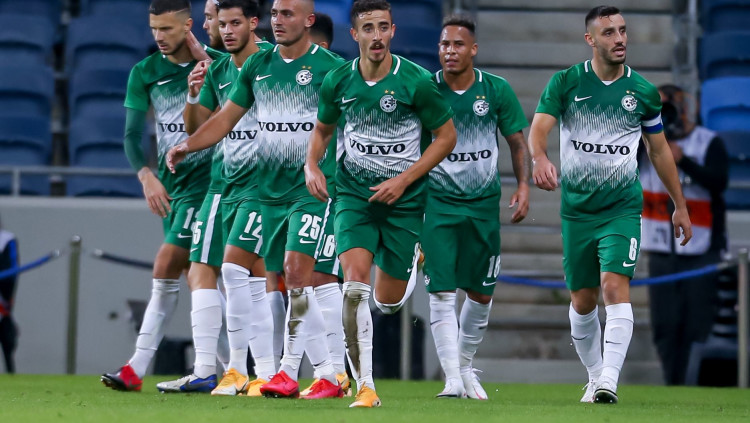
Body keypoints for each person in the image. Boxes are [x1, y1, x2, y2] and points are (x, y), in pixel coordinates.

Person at [166, 0, 346, 400]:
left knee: (297, 276)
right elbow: (225, 119)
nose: (278, 21)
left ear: (309, 21)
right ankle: (316, 372)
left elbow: (349, 124)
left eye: (287, 14)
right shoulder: (258, 67)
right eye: (275, 14)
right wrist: (187, 146)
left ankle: (294, 372)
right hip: (268, 193)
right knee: (242, 270)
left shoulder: (331, 69)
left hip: (311, 192)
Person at [528, 5, 692, 404]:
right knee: (583, 302)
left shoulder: (643, 92)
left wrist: (680, 204)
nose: (619, 39)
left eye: (622, 30)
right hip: (577, 212)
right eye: (609, 33)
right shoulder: (566, 82)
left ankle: (609, 381)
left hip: (621, 209)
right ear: (590, 39)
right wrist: (540, 158)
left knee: (613, 286)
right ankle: (594, 376)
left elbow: (659, 151)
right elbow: (539, 129)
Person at [305, 0, 457, 408]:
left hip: (404, 202)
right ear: (354, 34)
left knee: (386, 302)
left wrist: (403, 180)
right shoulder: (338, 81)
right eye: (368, 28)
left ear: (393, 31)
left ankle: (411, 259)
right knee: (354, 285)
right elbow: (322, 130)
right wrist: (311, 165)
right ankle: (366, 386)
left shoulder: (416, 81)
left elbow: (446, 137)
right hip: (354, 196)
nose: (377, 35)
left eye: (383, 27)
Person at [155, 0, 275, 395]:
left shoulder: (272, 63)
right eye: (220, 23)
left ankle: (265, 370)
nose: (226, 30)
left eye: (233, 23)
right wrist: (192, 95)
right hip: (221, 183)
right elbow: (198, 123)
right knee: (201, 269)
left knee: (249, 272)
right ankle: (209, 368)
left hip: (261, 184)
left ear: (253, 23)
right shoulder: (218, 69)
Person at [101, 0, 220, 392]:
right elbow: (132, 135)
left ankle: (136, 367)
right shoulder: (145, 72)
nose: (159, 36)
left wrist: (207, 60)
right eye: (154, 28)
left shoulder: (214, 64)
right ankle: (228, 369)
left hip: (209, 182)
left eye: (167, 29)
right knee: (198, 276)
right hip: (173, 187)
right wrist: (146, 175)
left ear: (188, 26)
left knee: (168, 263)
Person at [425, 14, 530, 400]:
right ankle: (452, 378)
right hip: (438, 203)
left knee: (481, 293)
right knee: (441, 291)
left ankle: (465, 365)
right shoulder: (426, 89)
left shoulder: (496, 89)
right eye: (444, 44)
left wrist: (523, 185)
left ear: (473, 49)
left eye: (457, 44)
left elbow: (516, 142)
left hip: (483, 205)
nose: (449, 51)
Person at [640, 84, 729, 385]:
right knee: (664, 324)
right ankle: (672, 383)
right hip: (661, 250)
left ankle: (691, 383)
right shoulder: (643, 144)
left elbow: (719, 182)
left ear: (684, 108)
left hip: (701, 250)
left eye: (669, 107)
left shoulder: (708, 142)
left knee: (697, 323)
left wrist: (683, 160)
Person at [298, 9, 351, 398]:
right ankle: (332, 372)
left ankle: (335, 372)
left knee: (321, 278)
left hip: (333, 190)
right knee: (299, 278)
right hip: (297, 191)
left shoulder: (340, 77)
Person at [0, 215, 18, 374]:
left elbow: (12, 268)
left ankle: (10, 372)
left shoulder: (7, 239)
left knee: (6, 337)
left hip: (2, 294)